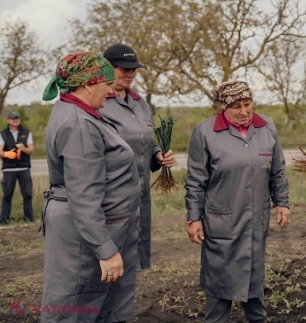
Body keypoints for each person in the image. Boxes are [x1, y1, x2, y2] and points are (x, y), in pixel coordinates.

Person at [40, 52, 141, 323]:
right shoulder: (79, 125)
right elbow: (84, 197)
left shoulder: (80, 113)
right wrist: (106, 250)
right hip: (84, 237)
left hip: (93, 230)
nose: (110, 91)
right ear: (88, 84)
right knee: (75, 306)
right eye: (106, 84)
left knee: (96, 305)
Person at [184, 80, 290, 323]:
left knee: (254, 285)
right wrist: (193, 218)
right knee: (220, 288)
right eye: (236, 106)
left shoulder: (266, 128)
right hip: (221, 223)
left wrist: (282, 202)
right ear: (223, 107)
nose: (244, 111)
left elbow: (277, 171)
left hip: (255, 221)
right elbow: (195, 180)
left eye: (247, 104)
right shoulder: (205, 132)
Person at [100, 43, 175, 270]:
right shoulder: (99, 104)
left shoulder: (140, 103)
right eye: (124, 69)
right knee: (111, 254)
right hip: (112, 193)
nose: (130, 74)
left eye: (134, 69)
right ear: (107, 68)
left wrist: (157, 154)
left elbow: (145, 139)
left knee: (132, 259)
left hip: (140, 191)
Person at [0, 110, 35, 225]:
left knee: (27, 194)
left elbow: (31, 150)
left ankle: (28, 218)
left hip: (24, 168)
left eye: (17, 118)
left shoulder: (26, 132)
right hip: (9, 169)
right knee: (7, 195)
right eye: (13, 118)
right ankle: (4, 219)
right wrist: (6, 154)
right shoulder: (3, 134)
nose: (16, 120)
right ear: (8, 121)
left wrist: (23, 148)